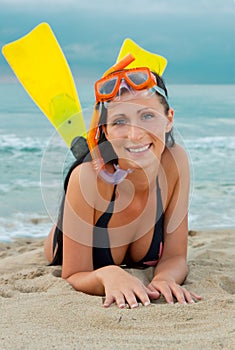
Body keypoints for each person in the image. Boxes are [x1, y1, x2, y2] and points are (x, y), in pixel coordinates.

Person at [44, 62, 202, 309]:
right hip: (72, 229)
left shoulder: (176, 162)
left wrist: (164, 278)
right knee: (82, 176)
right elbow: (74, 274)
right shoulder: (87, 179)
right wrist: (108, 274)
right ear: (105, 131)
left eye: (147, 116)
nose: (135, 134)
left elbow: (175, 256)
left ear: (169, 119)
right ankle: (84, 149)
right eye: (119, 121)